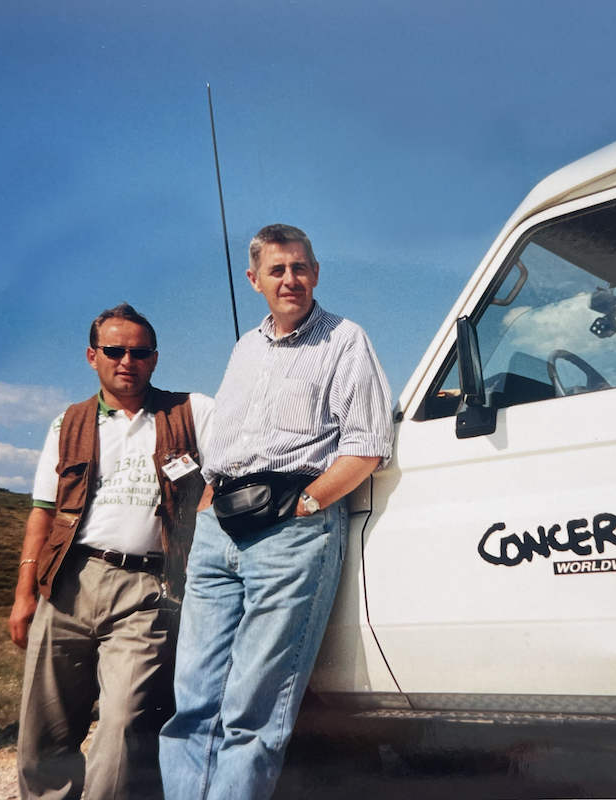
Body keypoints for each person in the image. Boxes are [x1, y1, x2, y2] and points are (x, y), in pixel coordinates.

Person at [158, 224, 394, 800]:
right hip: (220, 527)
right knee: (192, 702)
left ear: (315, 271)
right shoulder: (245, 347)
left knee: (254, 708)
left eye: (301, 267)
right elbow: (229, 441)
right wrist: (208, 504)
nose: (291, 279)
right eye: (278, 270)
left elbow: (367, 445)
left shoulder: (344, 340)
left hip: (290, 530)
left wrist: (308, 503)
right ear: (255, 279)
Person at [11, 303, 213, 800]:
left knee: (125, 726)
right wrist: (23, 595)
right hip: (69, 582)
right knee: (43, 734)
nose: (128, 360)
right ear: (92, 356)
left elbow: (222, 481)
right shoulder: (68, 423)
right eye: (115, 350)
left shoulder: (193, 411)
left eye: (139, 352)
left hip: (149, 588)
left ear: (155, 358)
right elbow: (43, 512)